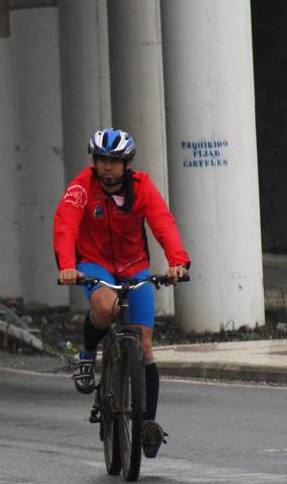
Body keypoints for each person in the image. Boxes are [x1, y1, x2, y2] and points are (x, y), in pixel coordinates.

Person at [53, 127, 190, 459]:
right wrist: (68, 265)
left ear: (127, 163)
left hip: (134, 265)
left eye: (115, 162)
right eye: (102, 160)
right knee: (105, 306)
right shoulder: (81, 187)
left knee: (144, 343)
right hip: (95, 262)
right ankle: (87, 357)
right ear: (95, 162)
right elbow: (65, 224)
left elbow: (163, 223)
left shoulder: (142, 187)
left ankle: (148, 425)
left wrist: (177, 263)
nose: (107, 168)